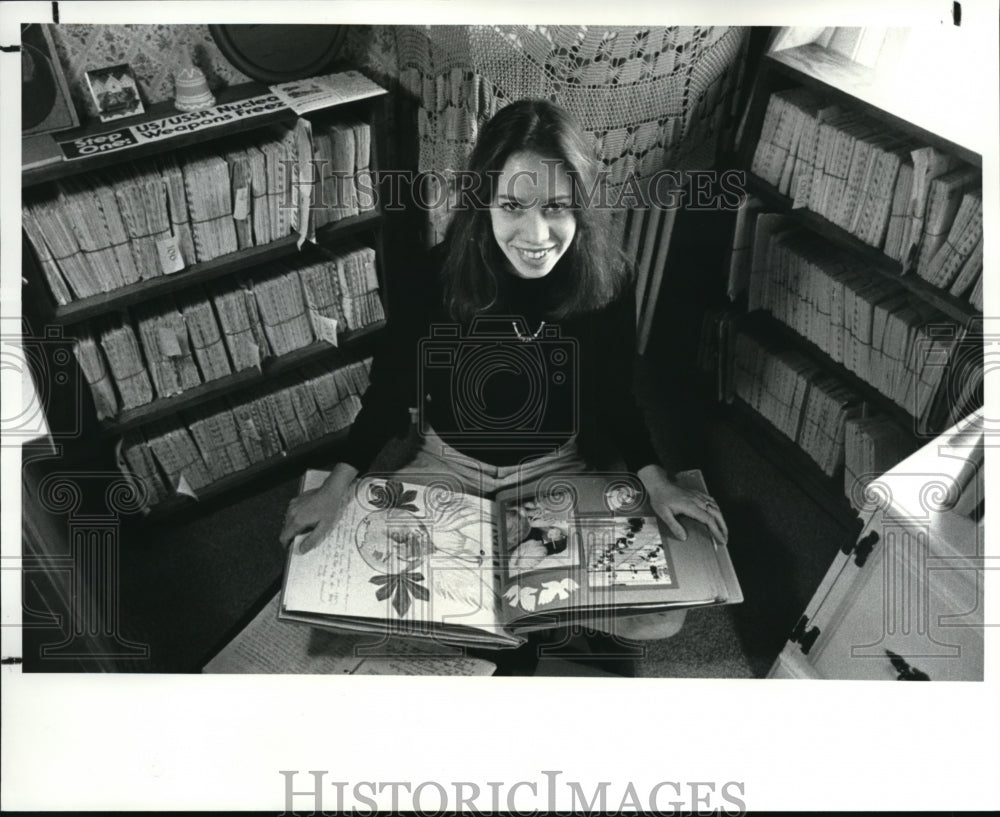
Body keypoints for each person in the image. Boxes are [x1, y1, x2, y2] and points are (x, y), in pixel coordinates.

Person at [279, 98, 728, 644]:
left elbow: (615, 397)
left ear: (580, 207)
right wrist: (338, 483)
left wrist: (655, 480)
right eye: (513, 206)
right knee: (332, 582)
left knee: (662, 616)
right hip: (446, 465)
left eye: (557, 208)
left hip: (555, 470)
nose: (536, 235)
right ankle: (520, 606)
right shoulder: (433, 274)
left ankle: (511, 603)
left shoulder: (609, 280)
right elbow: (391, 386)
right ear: (483, 200)